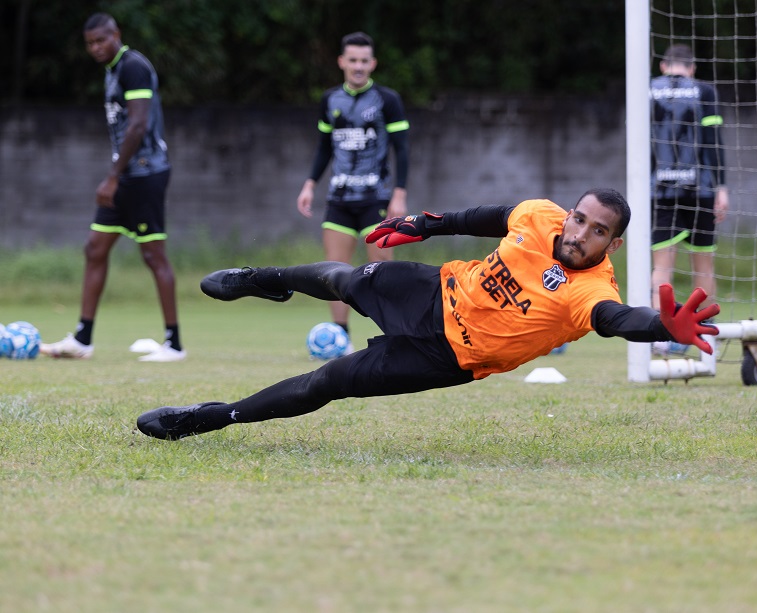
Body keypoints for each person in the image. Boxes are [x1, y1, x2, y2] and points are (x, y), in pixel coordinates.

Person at [136, 188, 720, 440]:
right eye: (580, 220)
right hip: (432, 291)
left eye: (599, 232)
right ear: (567, 214)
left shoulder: (591, 289)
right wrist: (421, 224)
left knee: (329, 381)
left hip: (446, 356)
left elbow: (618, 320)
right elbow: (489, 216)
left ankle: (212, 418)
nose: (582, 234)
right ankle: (258, 281)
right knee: (339, 277)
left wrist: (661, 327)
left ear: (612, 245)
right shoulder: (540, 215)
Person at [40, 13, 184, 362]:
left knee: (153, 255)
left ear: (116, 34)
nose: (95, 48)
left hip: (145, 173)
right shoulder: (112, 71)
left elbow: (137, 126)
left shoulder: (133, 66)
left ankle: (174, 344)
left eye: (101, 40)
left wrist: (113, 176)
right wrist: (117, 175)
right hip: (125, 175)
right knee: (95, 248)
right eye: (90, 43)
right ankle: (83, 339)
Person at [295, 31, 410, 353]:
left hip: (376, 198)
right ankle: (340, 338)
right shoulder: (330, 99)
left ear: (372, 63)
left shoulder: (388, 100)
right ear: (342, 62)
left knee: (381, 273)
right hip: (339, 200)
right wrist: (309, 184)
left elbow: (402, 150)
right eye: (352, 60)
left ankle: (394, 337)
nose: (358, 66)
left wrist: (399, 194)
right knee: (334, 273)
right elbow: (323, 147)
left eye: (364, 61)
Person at [649, 44, 729, 356]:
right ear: (692, 68)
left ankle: (658, 336)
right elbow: (714, 142)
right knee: (704, 266)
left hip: (660, 191)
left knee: (661, 269)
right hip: (701, 191)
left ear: (663, 66)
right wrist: (722, 187)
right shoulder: (705, 91)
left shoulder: (647, 90)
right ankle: (708, 336)